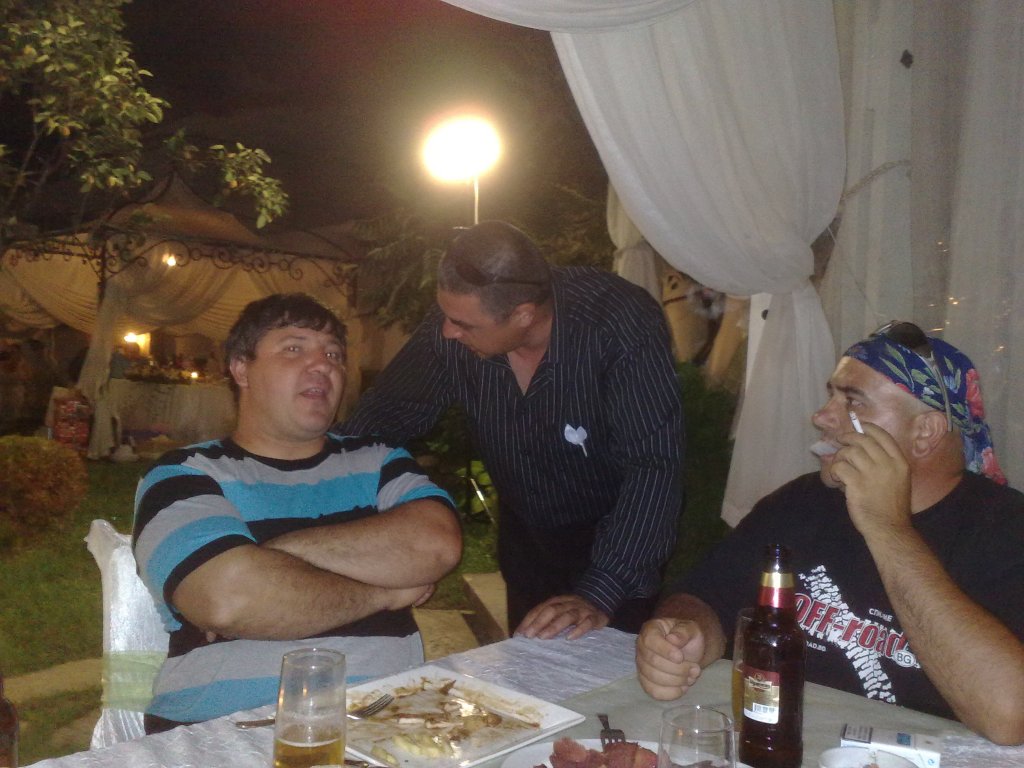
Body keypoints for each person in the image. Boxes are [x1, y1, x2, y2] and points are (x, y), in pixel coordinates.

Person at [635, 322, 1024, 745]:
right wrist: (685, 637)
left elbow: (1009, 716)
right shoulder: (804, 500)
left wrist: (887, 528)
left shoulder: (1005, 530)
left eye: (853, 401)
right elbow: (704, 597)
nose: (821, 417)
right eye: (831, 396)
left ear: (926, 431)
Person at [132, 293, 462, 732]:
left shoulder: (379, 459)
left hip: (382, 721)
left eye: (333, 354)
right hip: (224, 730)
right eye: (294, 348)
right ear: (241, 368)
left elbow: (436, 546)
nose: (322, 364)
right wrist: (387, 593)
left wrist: (270, 555)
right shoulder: (184, 472)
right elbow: (229, 598)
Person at [342, 221, 684, 640]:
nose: (448, 332)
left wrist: (601, 590)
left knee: (607, 675)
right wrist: (318, 477)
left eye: (463, 325)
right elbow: (386, 414)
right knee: (530, 664)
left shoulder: (619, 322)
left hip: (617, 533)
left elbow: (653, 465)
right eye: (446, 317)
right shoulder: (456, 322)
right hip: (525, 533)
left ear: (523, 314)